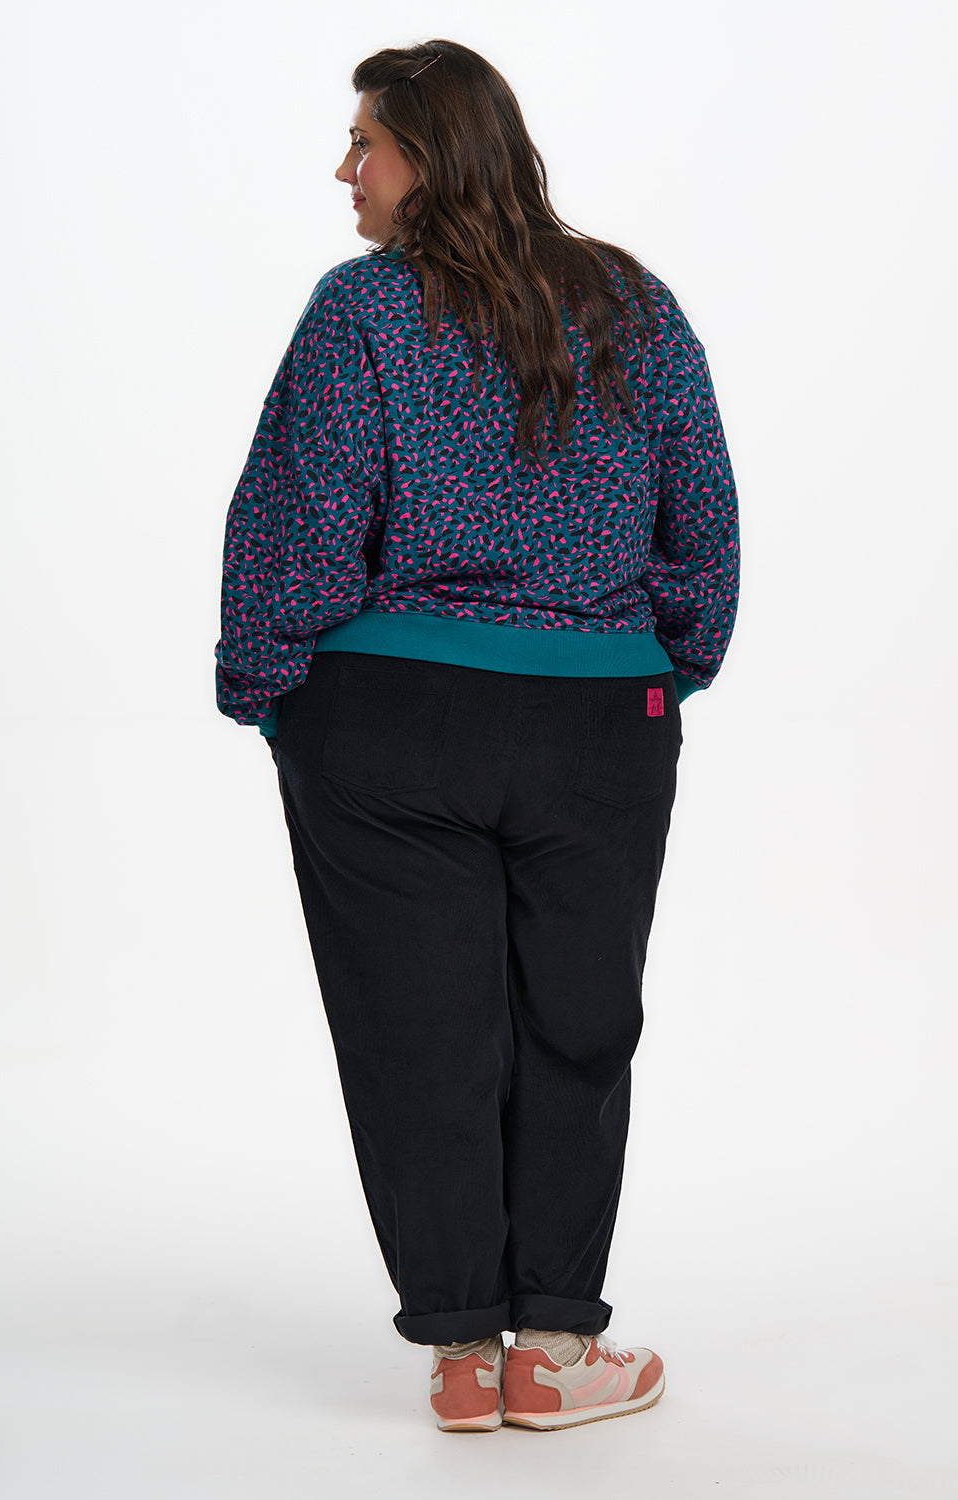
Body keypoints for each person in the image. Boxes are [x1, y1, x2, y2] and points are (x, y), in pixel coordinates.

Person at [214, 38, 739, 1434]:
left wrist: (273, 684)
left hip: (390, 723)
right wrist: (653, 670)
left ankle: (459, 1353)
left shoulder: (363, 314)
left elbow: (305, 522)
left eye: (366, 145)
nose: (346, 171)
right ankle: (554, 1350)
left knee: (415, 1032)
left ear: (430, 157)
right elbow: (705, 525)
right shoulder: (633, 302)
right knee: (578, 1025)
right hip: (594, 725)